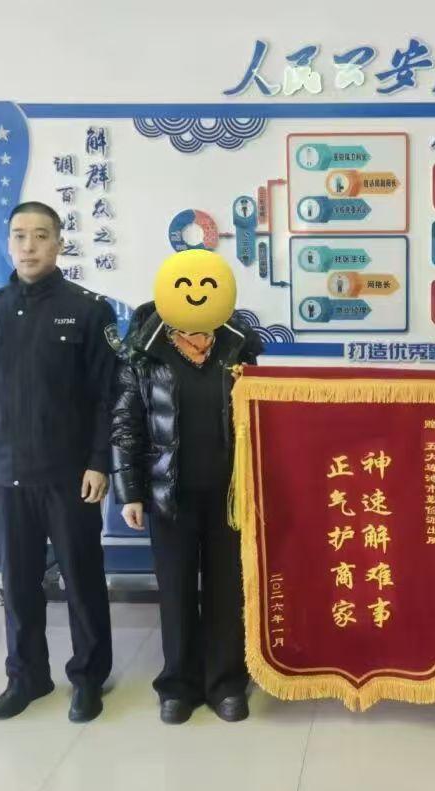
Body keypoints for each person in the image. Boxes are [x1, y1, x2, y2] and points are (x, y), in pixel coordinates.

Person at [0, 201, 115, 723]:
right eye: (20, 235)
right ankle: (27, 677)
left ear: (59, 243)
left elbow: (106, 398)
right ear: (9, 243)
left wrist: (99, 461)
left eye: (41, 235)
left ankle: (88, 678)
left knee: (82, 581)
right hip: (5, 473)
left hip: (70, 475)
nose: (29, 245)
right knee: (17, 584)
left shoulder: (88, 310)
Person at [111, 250, 263, 725]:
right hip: (167, 496)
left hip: (229, 497)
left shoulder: (239, 344)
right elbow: (125, 423)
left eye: (206, 285)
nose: (196, 294)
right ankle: (178, 685)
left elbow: (260, 417)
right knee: (176, 592)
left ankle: (226, 683)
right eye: (186, 285)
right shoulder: (144, 347)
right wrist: (131, 492)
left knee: (226, 592)